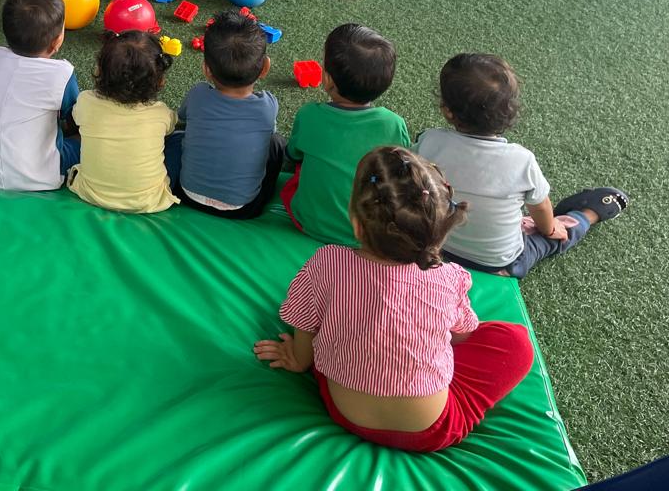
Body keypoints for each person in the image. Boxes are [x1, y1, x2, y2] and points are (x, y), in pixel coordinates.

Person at [255, 146, 535, 452]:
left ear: (356, 224)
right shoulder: (450, 278)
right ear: (438, 229)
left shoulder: (327, 262)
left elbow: (304, 323)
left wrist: (298, 359)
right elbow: (462, 335)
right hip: (429, 431)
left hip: (343, 410)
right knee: (517, 342)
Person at [416, 53, 629, 277]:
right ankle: (588, 215)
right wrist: (550, 229)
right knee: (552, 238)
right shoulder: (521, 160)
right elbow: (541, 207)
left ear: (447, 110)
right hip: (500, 265)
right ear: (509, 112)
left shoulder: (429, 141)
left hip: (435, 247)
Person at [281, 23, 409, 244]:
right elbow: (402, 171)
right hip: (370, 234)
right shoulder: (394, 124)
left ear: (328, 80)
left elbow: (293, 154)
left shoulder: (310, 115)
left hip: (309, 223)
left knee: (301, 169)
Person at [166, 10, 284, 218]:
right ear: (265, 67)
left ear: (206, 69)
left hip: (187, 195)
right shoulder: (268, 105)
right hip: (244, 209)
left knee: (177, 137)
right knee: (276, 143)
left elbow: (182, 117)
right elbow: (266, 136)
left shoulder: (198, 94)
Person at [0, 0, 80, 191]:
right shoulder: (62, 73)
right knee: (85, 140)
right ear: (57, 41)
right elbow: (77, 117)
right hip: (41, 177)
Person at [68, 30, 178, 213]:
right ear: (159, 81)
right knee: (178, 141)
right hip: (148, 201)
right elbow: (171, 128)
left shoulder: (85, 101)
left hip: (91, 194)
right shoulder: (161, 113)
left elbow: (75, 118)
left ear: (99, 70)